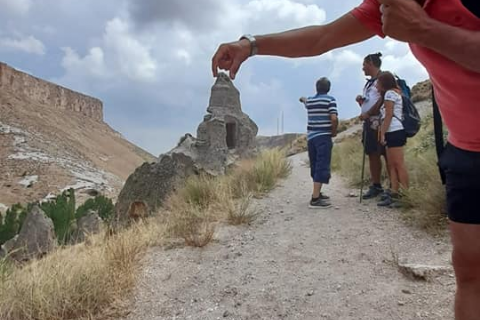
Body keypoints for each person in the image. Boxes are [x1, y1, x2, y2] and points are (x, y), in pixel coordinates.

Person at [211, 1, 480, 319]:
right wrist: (251, 45)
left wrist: (423, 29)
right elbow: (322, 37)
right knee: (470, 274)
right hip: (466, 151)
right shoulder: (390, 5)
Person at [299, 77, 338, 209]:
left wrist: (302, 98)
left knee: (315, 164)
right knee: (322, 164)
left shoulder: (310, 101)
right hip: (323, 136)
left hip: (311, 137)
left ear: (316, 87)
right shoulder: (330, 100)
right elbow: (334, 118)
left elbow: (305, 101)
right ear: (328, 88)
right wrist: (334, 131)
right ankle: (315, 199)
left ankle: (318, 192)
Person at [375, 71, 409, 207]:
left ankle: (405, 195)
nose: (376, 85)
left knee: (398, 164)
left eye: (378, 82)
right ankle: (394, 193)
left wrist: (382, 133)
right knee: (392, 164)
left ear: (383, 83)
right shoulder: (395, 93)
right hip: (392, 131)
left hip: (394, 130)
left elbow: (388, 115)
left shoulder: (390, 94)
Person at [356, 52, 387, 200]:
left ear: (370, 63)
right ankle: (377, 186)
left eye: (364, 65)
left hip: (380, 122)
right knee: (372, 153)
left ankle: (394, 188)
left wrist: (368, 113)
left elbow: (382, 99)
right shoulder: (370, 82)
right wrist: (362, 103)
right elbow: (372, 99)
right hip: (370, 123)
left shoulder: (383, 79)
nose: (363, 69)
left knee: (386, 154)